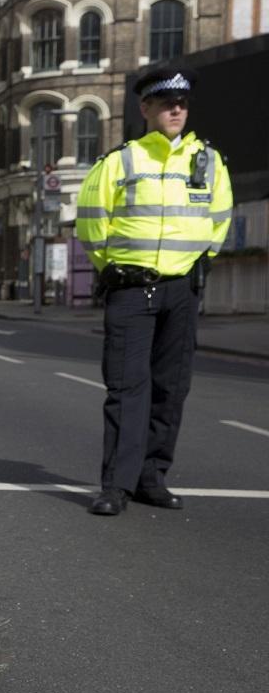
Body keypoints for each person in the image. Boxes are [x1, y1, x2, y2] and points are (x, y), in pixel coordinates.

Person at [75, 67, 232, 516]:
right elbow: (92, 220)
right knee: (127, 388)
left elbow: (220, 218)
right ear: (145, 108)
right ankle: (116, 486)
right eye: (166, 103)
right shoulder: (120, 161)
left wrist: (200, 262)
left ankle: (151, 478)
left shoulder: (209, 161)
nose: (176, 110)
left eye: (182, 103)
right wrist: (113, 267)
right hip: (130, 287)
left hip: (182, 290)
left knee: (171, 388)